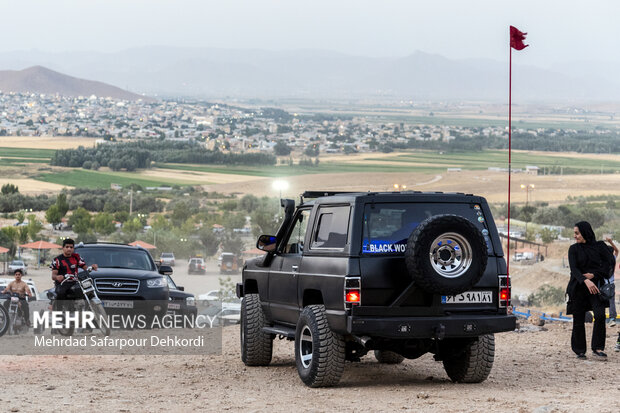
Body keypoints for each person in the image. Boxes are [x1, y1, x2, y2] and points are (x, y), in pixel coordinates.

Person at [566, 222, 616, 360]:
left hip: (596, 288)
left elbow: (608, 264)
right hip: (578, 288)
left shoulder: (599, 247)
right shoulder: (573, 249)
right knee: (579, 319)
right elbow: (574, 269)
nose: (575, 236)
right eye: (574, 233)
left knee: (600, 315)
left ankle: (598, 348)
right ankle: (580, 350)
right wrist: (585, 280)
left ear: (585, 232)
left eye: (577, 233)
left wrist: (594, 276)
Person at [50, 239, 98, 304]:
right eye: (67, 247)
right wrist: (57, 277)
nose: (69, 249)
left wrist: (91, 267)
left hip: (75, 282)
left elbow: (85, 268)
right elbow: (53, 276)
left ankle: (86, 310)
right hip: (63, 283)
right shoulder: (57, 260)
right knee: (60, 293)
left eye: (71, 247)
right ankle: (59, 312)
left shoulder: (76, 257)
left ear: (73, 248)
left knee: (88, 292)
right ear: (63, 248)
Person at [604, 237, 618, 327]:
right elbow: (617, 251)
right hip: (611, 284)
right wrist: (611, 242)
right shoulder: (613, 259)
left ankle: (601, 318)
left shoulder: (602, 261)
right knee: (611, 302)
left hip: (602, 285)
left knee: (599, 302)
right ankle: (612, 319)